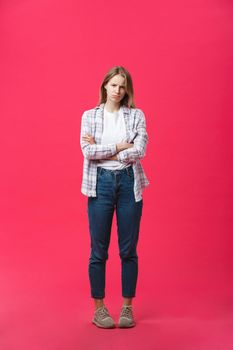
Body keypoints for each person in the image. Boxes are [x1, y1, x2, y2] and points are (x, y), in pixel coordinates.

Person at [80, 66, 149, 328]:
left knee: (128, 250)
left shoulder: (136, 116)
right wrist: (121, 145)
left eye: (122, 86)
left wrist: (105, 152)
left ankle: (127, 308)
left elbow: (139, 150)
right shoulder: (89, 116)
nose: (117, 91)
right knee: (98, 250)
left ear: (126, 89)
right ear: (105, 86)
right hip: (101, 185)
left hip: (129, 183)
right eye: (113, 85)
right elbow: (87, 151)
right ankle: (99, 309)